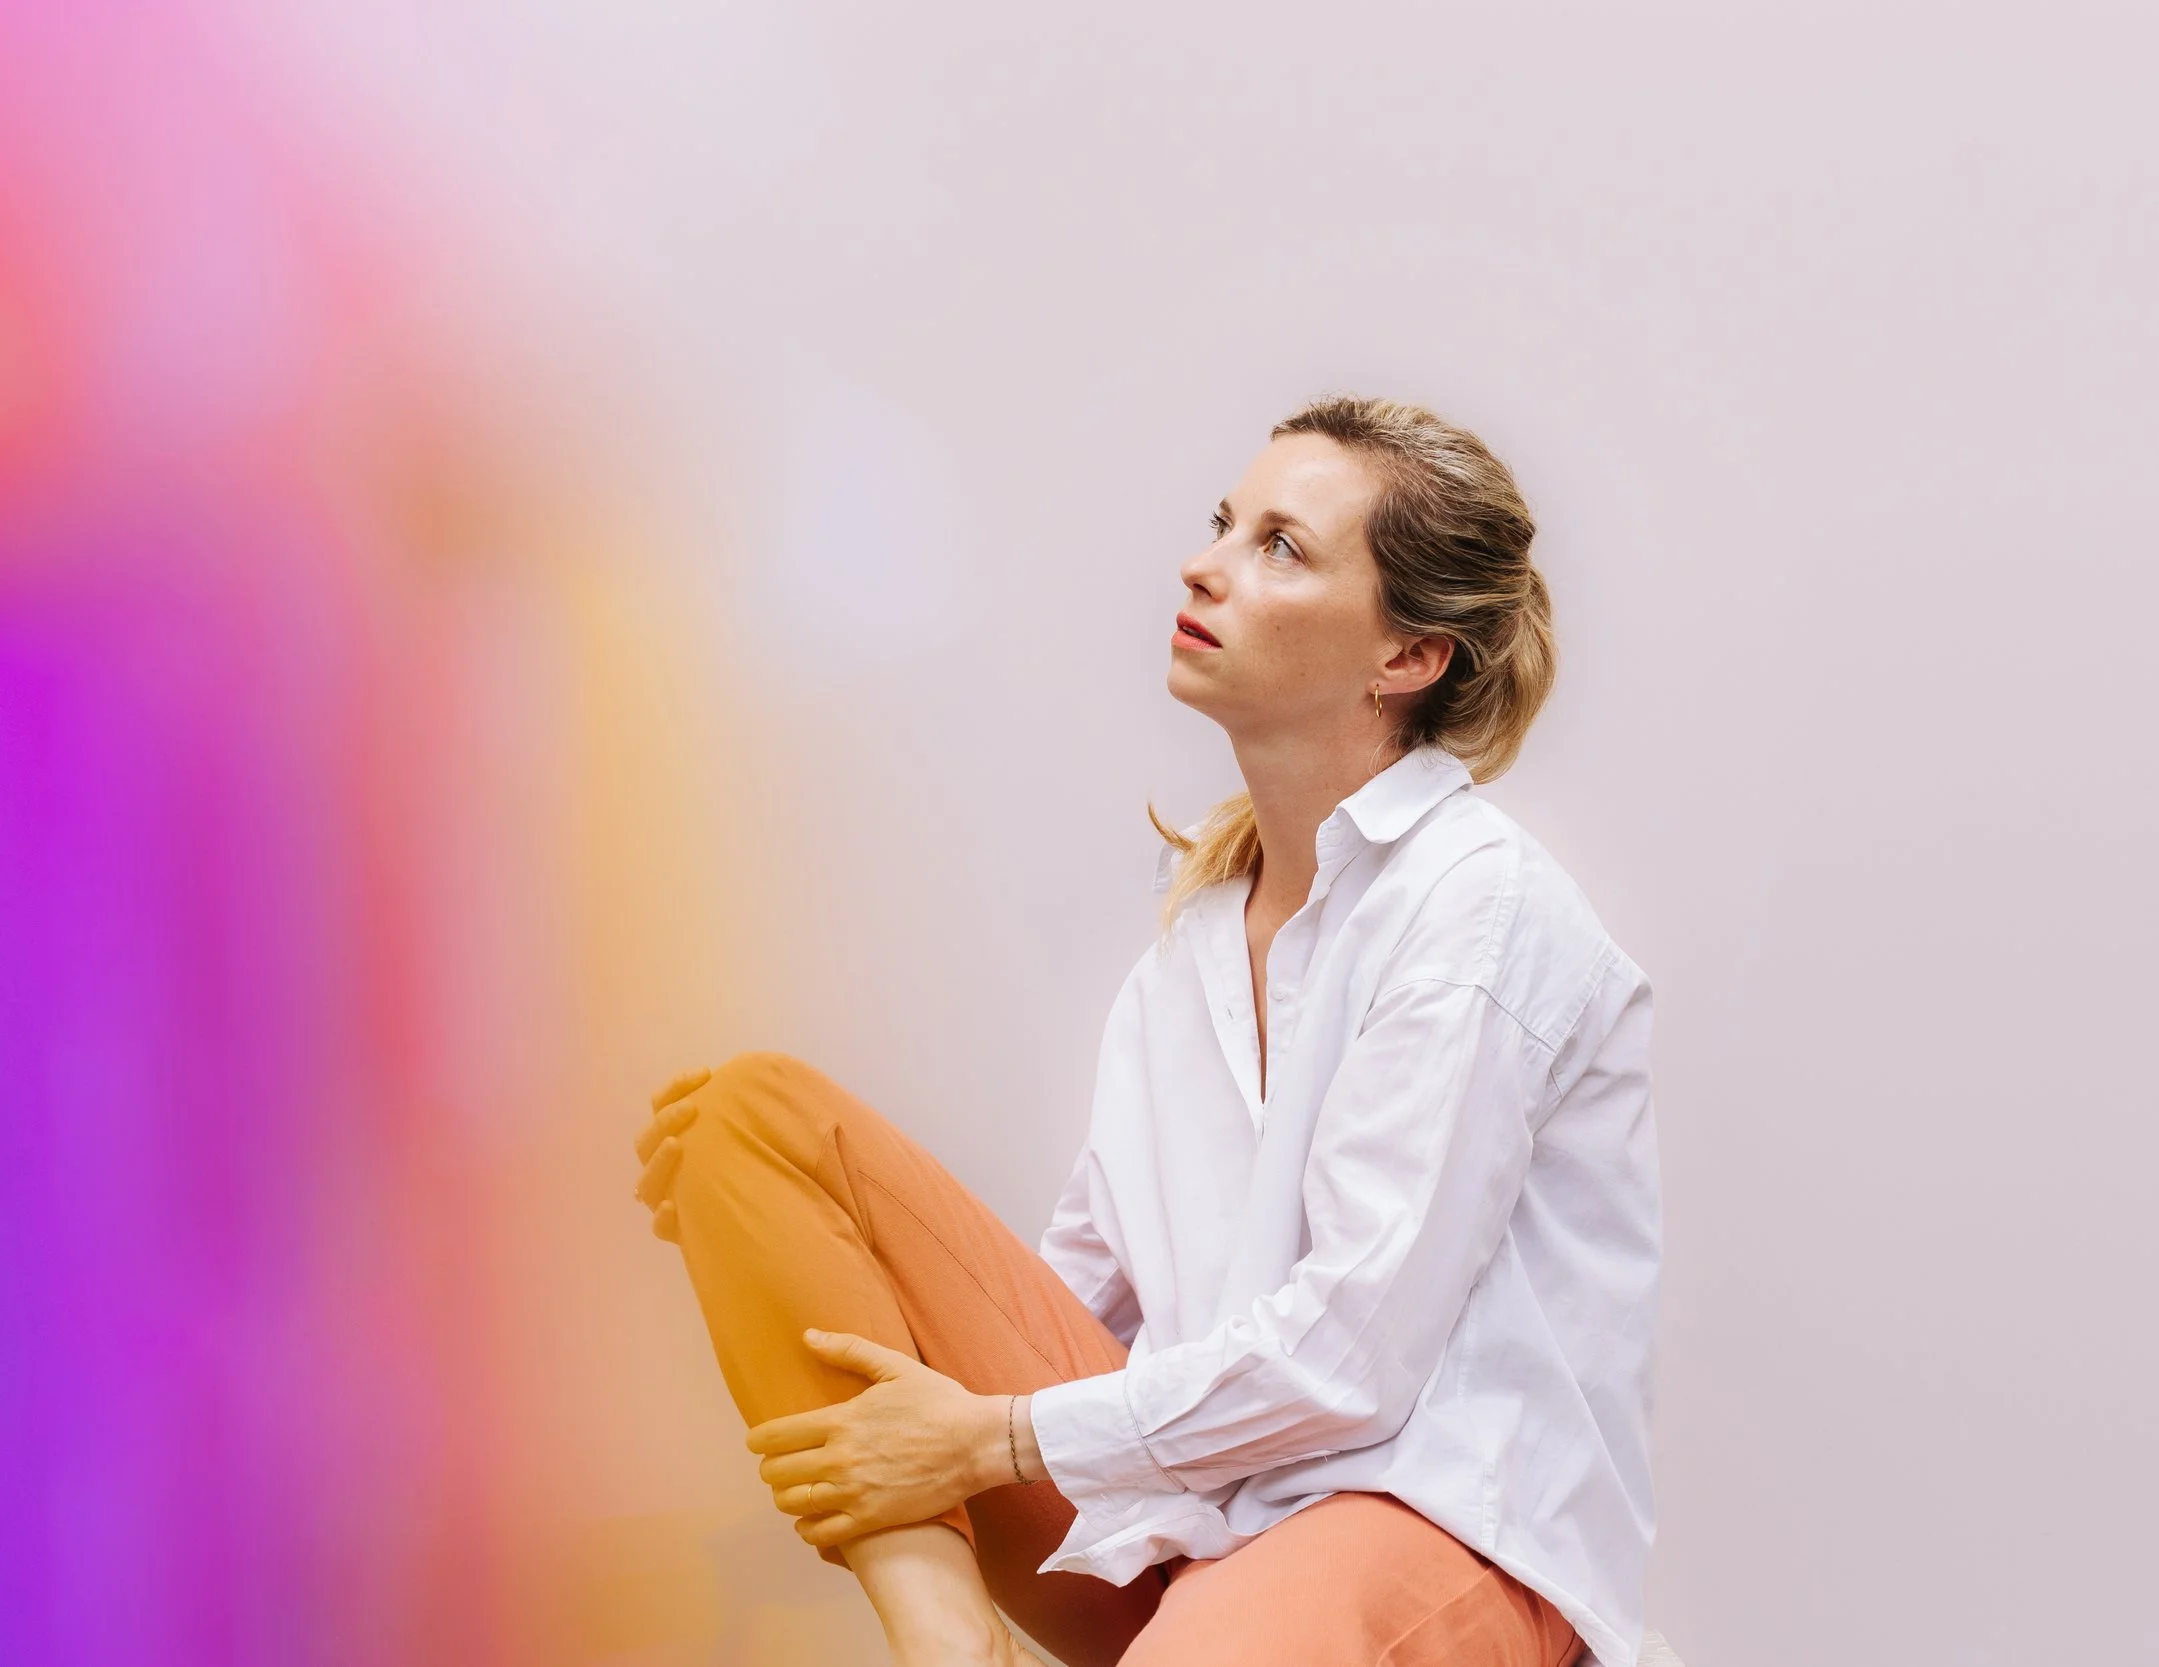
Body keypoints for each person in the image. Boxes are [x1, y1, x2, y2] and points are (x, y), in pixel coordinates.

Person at [630, 395, 1662, 1667]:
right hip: (1187, 1525)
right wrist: (808, 1246)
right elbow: (1072, 1302)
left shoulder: (1477, 909)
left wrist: (990, 1439)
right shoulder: (1185, 962)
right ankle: (950, 1643)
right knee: (747, 1119)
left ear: (1406, 657)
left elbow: (1353, 1362)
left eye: (1282, 546)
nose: (1206, 562)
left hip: (1429, 1527)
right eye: (1226, 523)